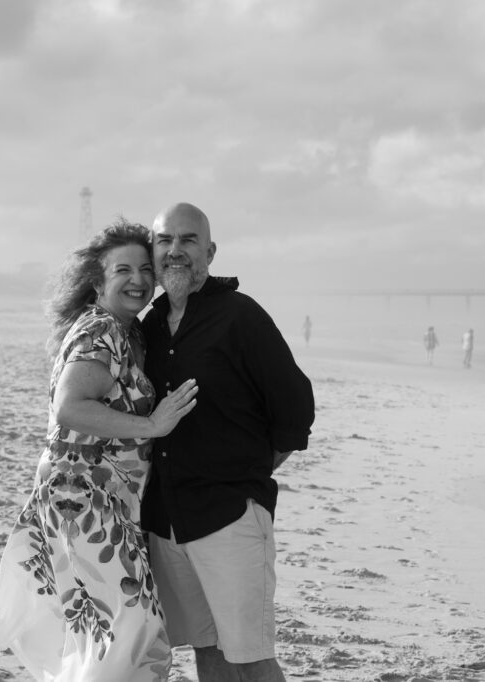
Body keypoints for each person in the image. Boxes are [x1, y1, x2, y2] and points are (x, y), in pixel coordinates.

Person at [0, 219, 199, 681]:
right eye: (122, 269)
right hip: (82, 499)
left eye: (146, 268)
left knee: (112, 630)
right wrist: (153, 424)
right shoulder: (101, 331)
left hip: (101, 502)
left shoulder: (128, 333)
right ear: (97, 281)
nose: (139, 279)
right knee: (131, 628)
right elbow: (70, 407)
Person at [141, 202, 315, 682]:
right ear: (153, 251)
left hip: (230, 519)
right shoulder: (149, 327)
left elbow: (296, 407)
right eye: (164, 240)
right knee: (207, 649)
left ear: (210, 252)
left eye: (188, 240)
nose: (175, 251)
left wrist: (249, 473)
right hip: (167, 521)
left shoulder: (241, 317)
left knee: (252, 657)